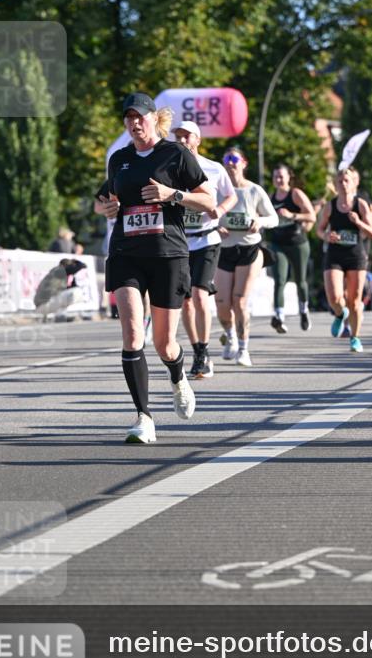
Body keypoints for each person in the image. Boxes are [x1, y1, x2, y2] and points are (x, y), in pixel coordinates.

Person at [94, 92, 214, 444]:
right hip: (127, 253)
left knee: (164, 344)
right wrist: (106, 209)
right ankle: (144, 418)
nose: (133, 123)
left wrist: (171, 194)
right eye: (127, 118)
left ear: (153, 118)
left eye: (139, 117)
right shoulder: (120, 160)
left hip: (167, 255)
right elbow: (102, 199)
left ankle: (178, 376)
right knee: (133, 335)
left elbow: (207, 201)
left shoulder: (175, 154)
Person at [173, 120, 237, 379]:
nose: (182, 141)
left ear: (198, 139)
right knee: (186, 302)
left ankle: (205, 351)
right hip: (180, 241)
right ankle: (198, 350)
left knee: (200, 296)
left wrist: (219, 211)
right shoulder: (170, 168)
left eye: (187, 136)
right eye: (178, 136)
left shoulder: (213, 168)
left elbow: (230, 195)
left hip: (207, 239)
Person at [215, 146, 278, 367]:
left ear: (244, 163)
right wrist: (215, 227)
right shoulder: (216, 191)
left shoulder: (254, 191)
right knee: (222, 302)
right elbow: (205, 215)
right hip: (224, 249)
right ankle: (230, 336)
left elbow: (274, 218)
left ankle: (243, 348)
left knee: (239, 301)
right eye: (227, 159)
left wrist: (259, 222)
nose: (230, 163)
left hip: (250, 249)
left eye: (234, 158)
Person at [316, 167, 372, 353]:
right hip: (335, 254)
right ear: (335, 184)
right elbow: (319, 229)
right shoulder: (330, 206)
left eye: (346, 180)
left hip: (355, 255)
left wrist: (358, 222)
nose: (343, 184)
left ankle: (355, 338)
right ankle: (340, 314)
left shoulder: (361, 205)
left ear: (354, 183)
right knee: (334, 297)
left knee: (355, 300)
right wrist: (327, 236)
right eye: (340, 181)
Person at [267, 163, 315, 333]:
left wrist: (292, 215)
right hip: (278, 244)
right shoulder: (270, 197)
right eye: (275, 177)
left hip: (297, 243)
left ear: (289, 177)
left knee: (300, 280)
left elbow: (312, 216)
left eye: (281, 176)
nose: (278, 180)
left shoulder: (295, 194)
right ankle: (279, 316)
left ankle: (304, 310)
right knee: (279, 279)